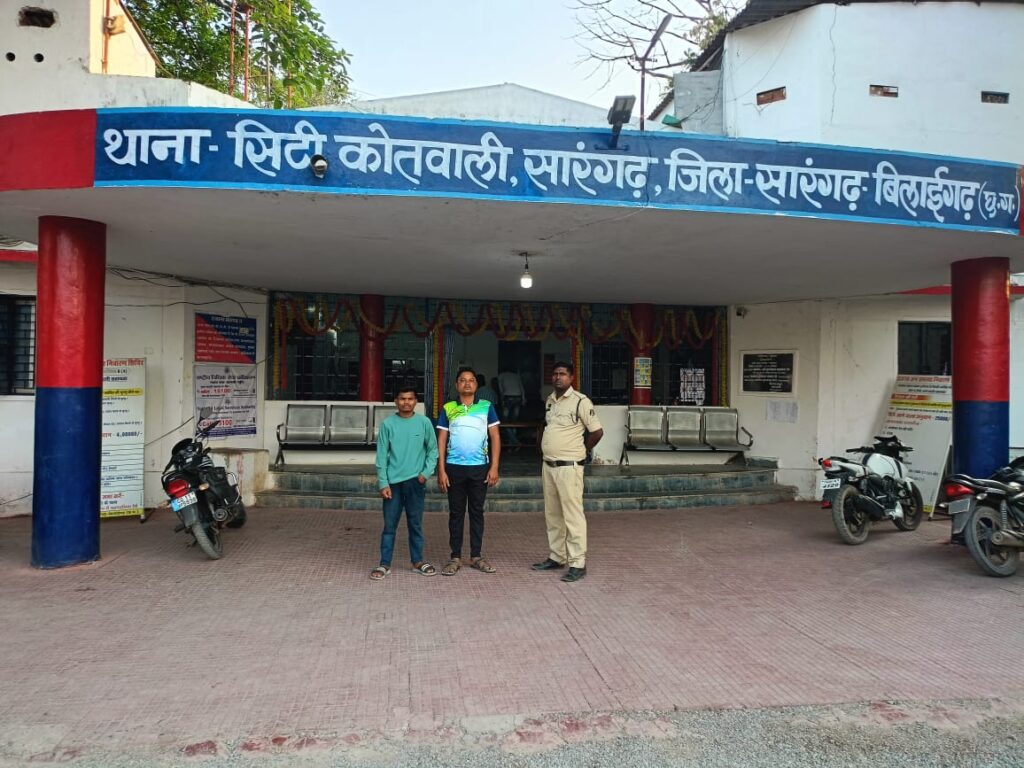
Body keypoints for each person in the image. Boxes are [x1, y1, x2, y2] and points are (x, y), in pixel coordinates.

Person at [531, 361, 604, 583]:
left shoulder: (581, 401)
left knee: (573, 516)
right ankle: (557, 556)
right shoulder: (550, 401)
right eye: (555, 374)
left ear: (571, 378)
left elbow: (597, 432)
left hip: (569, 467)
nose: (558, 377)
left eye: (562, 374)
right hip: (549, 466)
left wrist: (582, 451)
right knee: (553, 514)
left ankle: (578, 563)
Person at [436, 367, 501, 575]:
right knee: (456, 513)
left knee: (476, 512)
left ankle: (476, 556)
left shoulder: (486, 407)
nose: (467, 383)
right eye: (463, 380)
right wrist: (441, 470)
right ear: (457, 385)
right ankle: (455, 557)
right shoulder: (448, 408)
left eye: (471, 380)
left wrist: (494, 467)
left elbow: (495, 437)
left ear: (476, 385)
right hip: (454, 468)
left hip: (479, 468)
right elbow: (442, 439)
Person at [370, 385, 439, 580]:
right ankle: (384, 564)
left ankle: (417, 561)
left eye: (410, 398)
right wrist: (383, 483)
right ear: (396, 401)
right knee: (389, 526)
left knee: (415, 524)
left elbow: (433, 450)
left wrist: (425, 473)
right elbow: (381, 455)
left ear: (416, 401)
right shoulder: (388, 424)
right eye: (402, 398)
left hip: (415, 482)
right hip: (393, 484)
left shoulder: (424, 423)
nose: (406, 402)